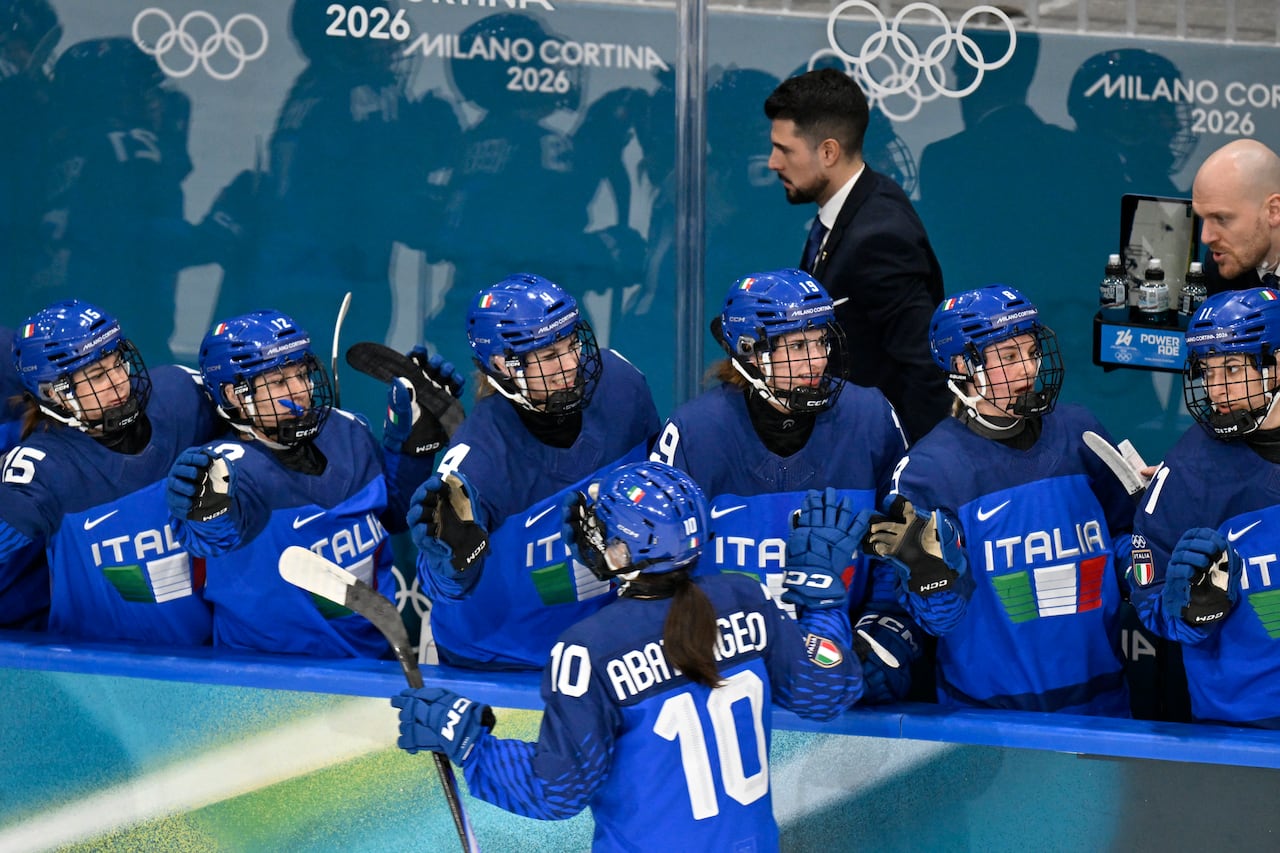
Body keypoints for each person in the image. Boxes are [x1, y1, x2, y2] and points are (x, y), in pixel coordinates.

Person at [392, 461, 865, 851]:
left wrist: (469, 741)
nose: (588, 533)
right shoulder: (745, 597)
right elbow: (827, 690)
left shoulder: (588, 648)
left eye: (602, 529)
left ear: (621, 553)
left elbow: (556, 790)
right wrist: (821, 599)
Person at [651, 268, 922, 703]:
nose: (817, 360)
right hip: (725, 677)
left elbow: (900, 549)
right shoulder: (694, 433)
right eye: (797, 346)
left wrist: (879, 633)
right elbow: (659, 574)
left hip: (839, 661)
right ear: (750, 352)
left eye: (820, 341)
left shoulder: (869, 417)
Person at [863, 285, 1135, 715]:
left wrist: (1144, 567)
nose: (1028, 368)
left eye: (1031, 352)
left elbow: (1125, 534)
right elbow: (936, 619)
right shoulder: (928, 472)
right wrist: (933, 579)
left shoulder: (1081, 431)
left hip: (1104, 705)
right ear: (962, 366)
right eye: (1008, 356)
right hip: (989, 720)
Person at [163, 309, 461, 657]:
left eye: (302, 374)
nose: (301, 391)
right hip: (268, 673)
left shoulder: (347, 430)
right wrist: (208, 514)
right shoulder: (222, 470)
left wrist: (410, 449)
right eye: (279, 382)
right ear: (233, 394)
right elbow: (213, 535)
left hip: (374, 661)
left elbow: (393, 515)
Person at [409, 273, 659, 670]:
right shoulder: (476, 463)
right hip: (503, 662)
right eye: (549, 355)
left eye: (572, 343)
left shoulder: (622, 386)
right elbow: (444, 586)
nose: (571, 364)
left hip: (603, 645)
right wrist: (452, 564)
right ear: (501, 364)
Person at [0, 299, 220, 642]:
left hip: (209, 656)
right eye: (98, 375)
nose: (119, 380)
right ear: (53, 392)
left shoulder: (181, 397)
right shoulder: (40, 469)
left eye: (117, 362)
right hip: (95, 665)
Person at [763, 67, 948, 442]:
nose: (773, 162)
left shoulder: (880, 236)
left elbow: (924, 369)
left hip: (876, 452)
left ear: (828, 152)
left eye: (785, 150)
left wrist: (915, 468)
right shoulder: (860, 202)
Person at [1128, 287, 1280, 727]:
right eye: (1207, 371)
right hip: (1245, 724)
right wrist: (1191, 611)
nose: (1215, 390)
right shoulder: (1186, 471)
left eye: (1231, 369)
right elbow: (1147, 592)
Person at [1190, 139, 1280, 295]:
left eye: (1221, 218)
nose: (1205, 237)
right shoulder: (1221, 264)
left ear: (1273, 211)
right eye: (1204, 218)